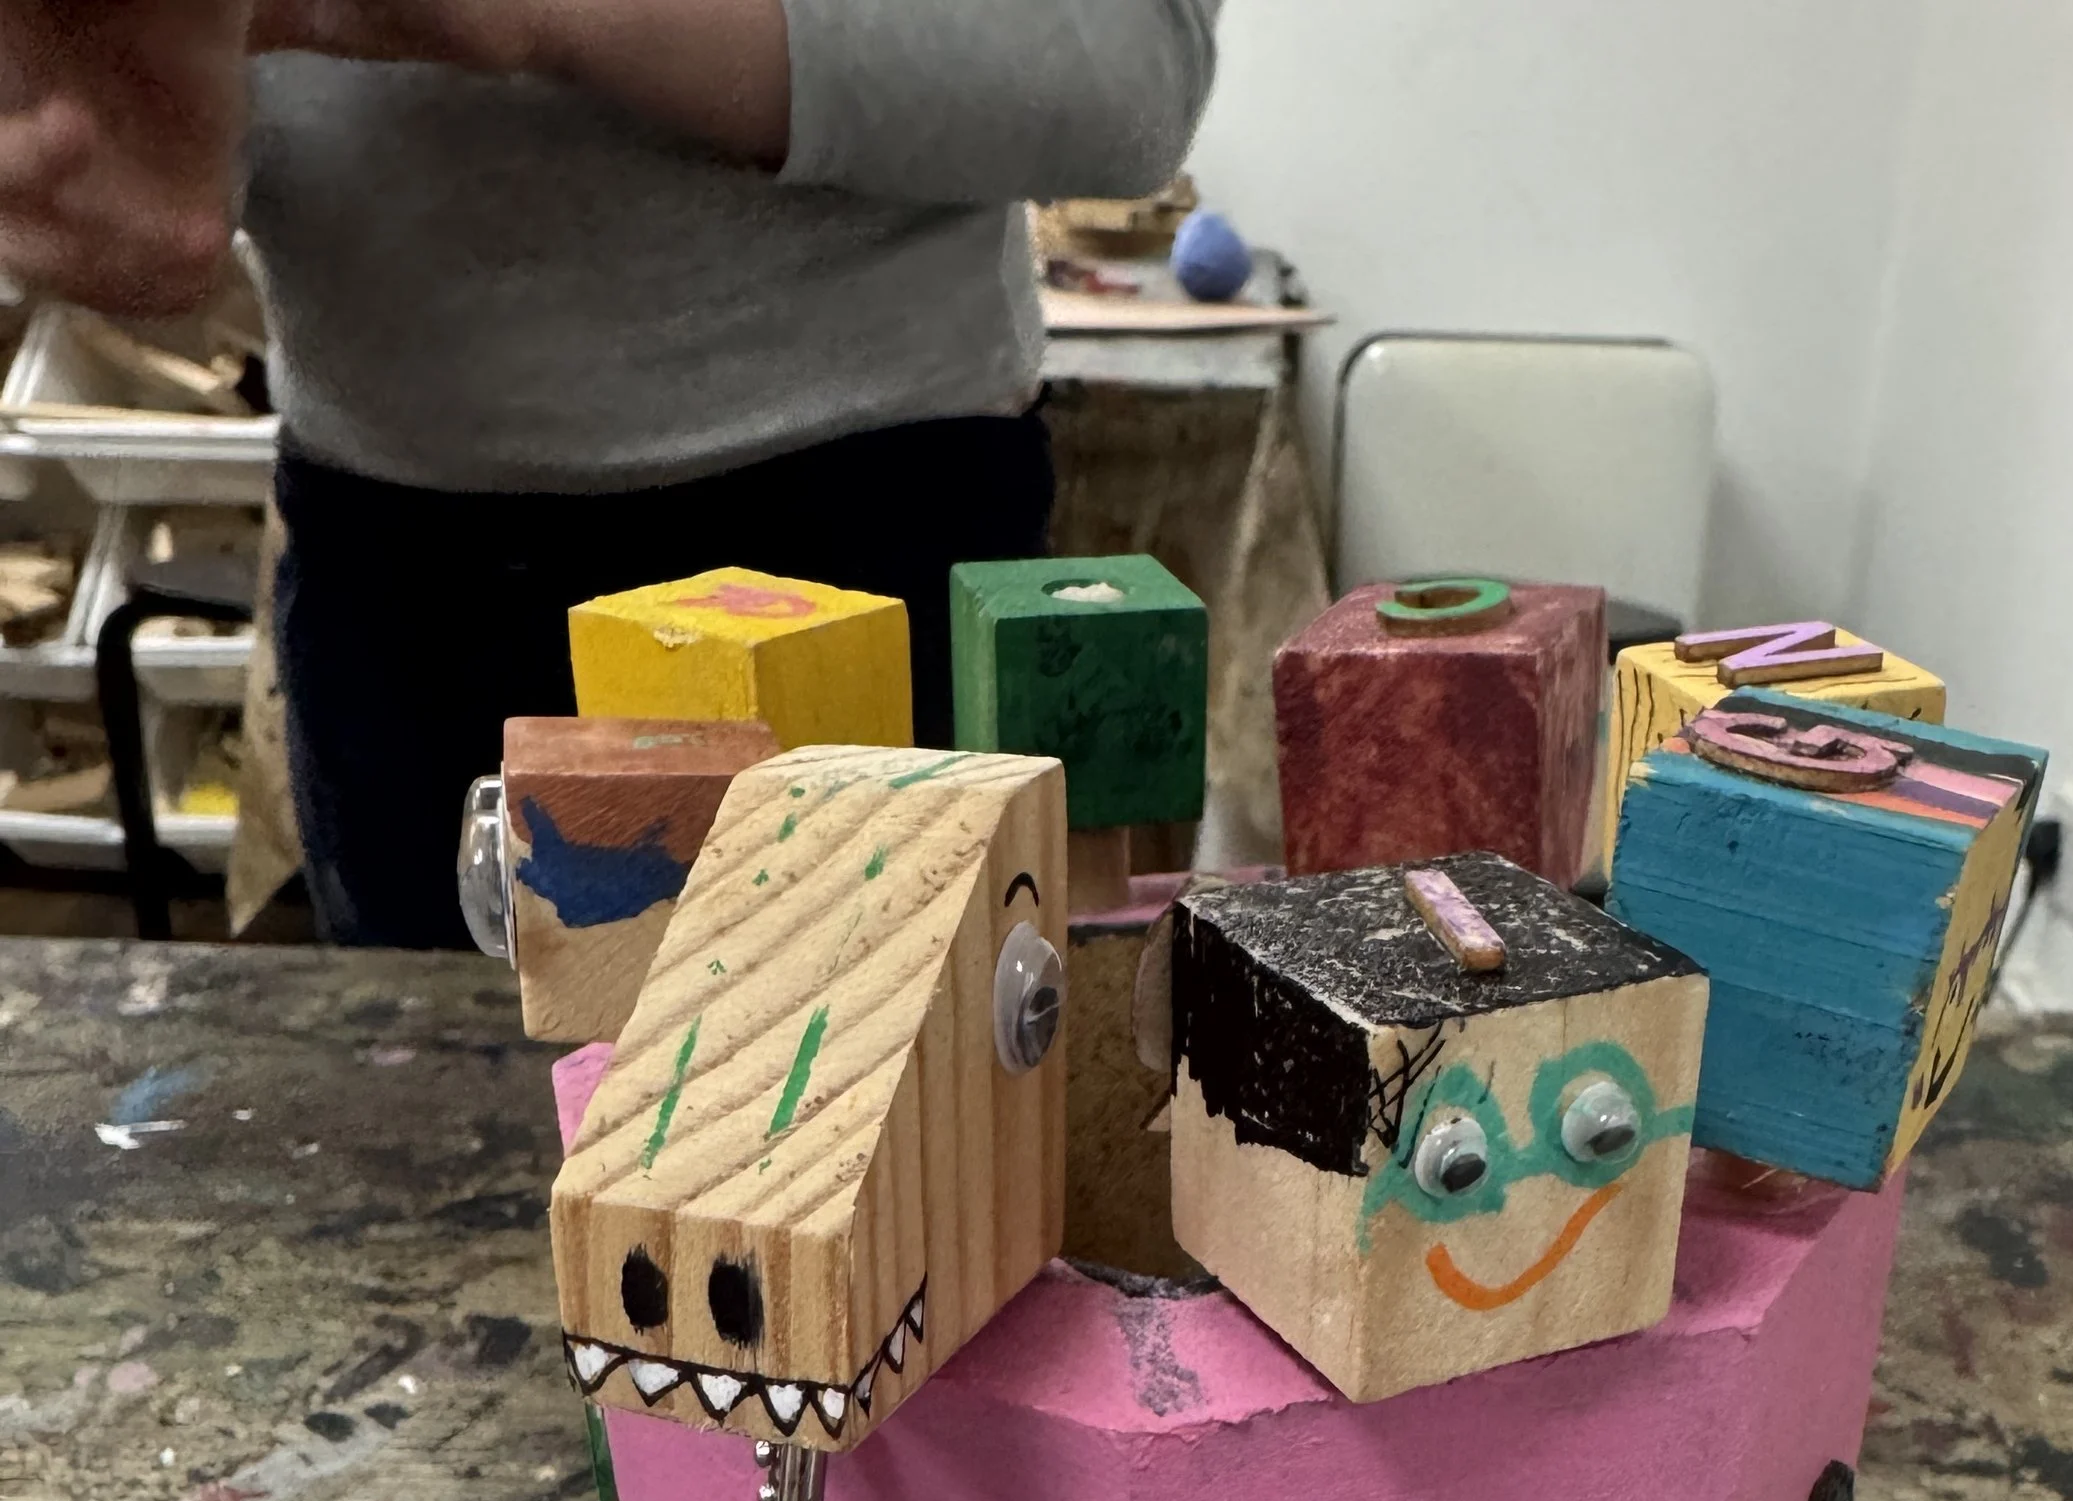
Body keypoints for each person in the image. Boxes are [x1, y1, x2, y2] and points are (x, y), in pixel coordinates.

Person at [0, 1, 1219, 943]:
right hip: (403, 565)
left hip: (877, 524)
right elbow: (135, 183)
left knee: (897, 1169)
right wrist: (103, 123)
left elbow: (1123, 71)